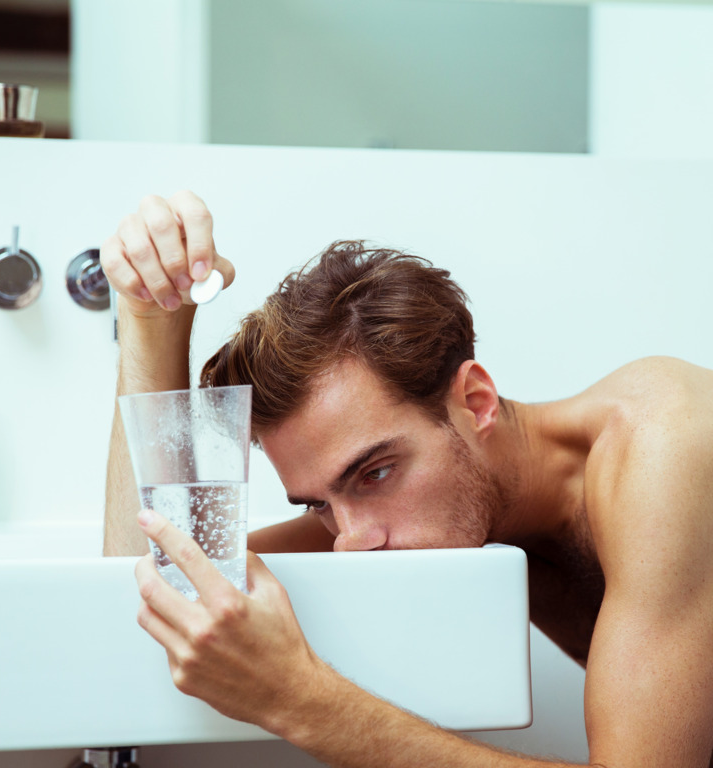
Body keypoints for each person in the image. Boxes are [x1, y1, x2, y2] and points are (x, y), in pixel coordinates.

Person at [101, 190, 713, 768]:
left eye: (376, 472)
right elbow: (149, 584)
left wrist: (299, 699)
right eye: (320, 503)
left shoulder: (667, 440)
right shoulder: (383, 520)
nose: (351, 541)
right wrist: (153, 320)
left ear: (475, 402)